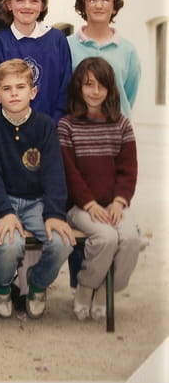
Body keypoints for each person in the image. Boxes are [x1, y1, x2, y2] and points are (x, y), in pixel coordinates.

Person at [0, 59, 75, 319]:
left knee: (62, 242)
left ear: (32, 92)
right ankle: (1, 286)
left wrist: (54, 213)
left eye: (20, 87)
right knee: (11, 243)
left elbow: (54, 173)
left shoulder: (45, 126)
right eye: (7, 89)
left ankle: (37, 283)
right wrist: (4, 212)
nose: (14, 93)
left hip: (37, 202)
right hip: (1, 202)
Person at [58, 57, 139, 321]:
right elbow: (69, 173)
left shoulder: (121, 124)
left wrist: (119, 202)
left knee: (130, 238)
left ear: (110, 89)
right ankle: (86, 286)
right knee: (106, 238)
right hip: (80, 206)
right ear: (78, 87)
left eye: (101, 85)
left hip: (113, 204)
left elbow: (128, 170)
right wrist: (90, 204)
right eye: (88, 84)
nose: (95, 91)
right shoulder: (67, 126)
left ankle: (106, 288)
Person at [0, 0, 72, 123]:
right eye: (20, 0)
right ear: (9, 4)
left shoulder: (57, 39)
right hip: (10, 128)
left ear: (42, 5)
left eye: (34, 1)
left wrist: (54, 124)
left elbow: (66, 88)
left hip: (51, 126)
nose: (27, 6)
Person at [68, 0, 141, 119]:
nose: (99, 5)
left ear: (114, 7)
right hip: (77, 129)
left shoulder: (128, 51)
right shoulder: (67, 46)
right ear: (83, 6)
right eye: (92, 0)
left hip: (116, 129)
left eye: (106, 0)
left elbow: (128, 96)